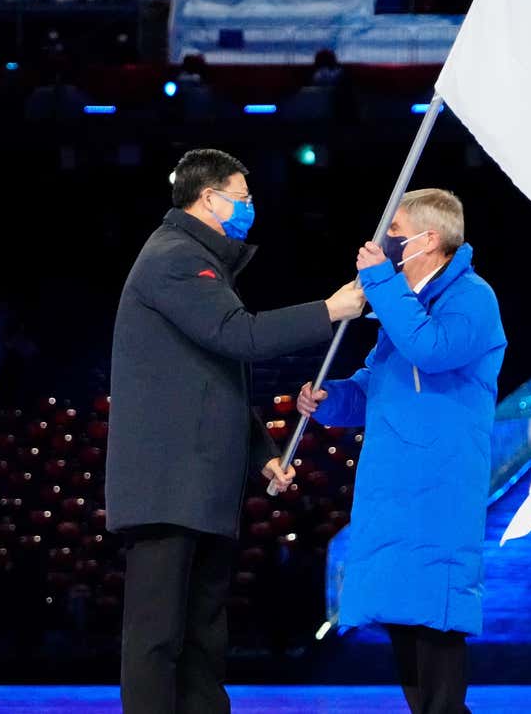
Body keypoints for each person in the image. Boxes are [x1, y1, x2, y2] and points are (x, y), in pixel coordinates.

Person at [108, 149, 365, 714]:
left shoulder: (198, 260)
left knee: (203, 634)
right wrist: (329, 309)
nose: (250, 208)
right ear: (208, 199)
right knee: (157, 635)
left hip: (197, 485)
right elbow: (238, 336)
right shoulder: (176, 258)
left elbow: (213, 379)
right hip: (167, 487)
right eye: (242, 199)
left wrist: (261, 455)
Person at [297, 188, 506, 714]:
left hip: (439, 480)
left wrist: (382, 285)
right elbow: (377, 386)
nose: (384, 240)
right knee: (404, 615)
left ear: (428, 240)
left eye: (396, 231)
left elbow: (432, 351)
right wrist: (330, 401)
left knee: (435, 616)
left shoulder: (472, 298)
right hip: (393, 482)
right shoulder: (403, 305)